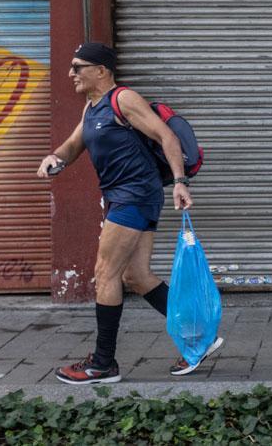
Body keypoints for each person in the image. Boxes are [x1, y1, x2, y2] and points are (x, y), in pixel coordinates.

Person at [37, 42, 222, 384]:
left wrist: (181, 182)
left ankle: (103, 363)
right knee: (135, 276)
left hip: (134, 196)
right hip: (127, 197)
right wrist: (55, 159)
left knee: (105, 273)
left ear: (101, 70)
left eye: (78, 67)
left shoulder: (123, 99)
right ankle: (200, 335)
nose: (71, 74)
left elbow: (166, 136)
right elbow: (74, 145)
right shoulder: (91, 108)